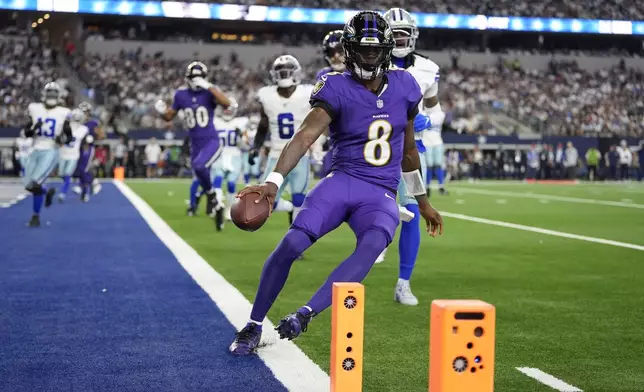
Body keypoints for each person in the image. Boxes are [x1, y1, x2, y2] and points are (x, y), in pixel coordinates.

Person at [229, 11, 443, 356]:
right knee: (292, 243)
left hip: (381, 193)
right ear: (349, 50)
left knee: (373, 243)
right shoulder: (336, 85)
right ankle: (254, 323)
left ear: (386, 51)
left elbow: (407, 151)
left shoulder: (405, 85)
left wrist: (422, 200)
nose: (368, 57)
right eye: (361, 50)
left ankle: (305, 314)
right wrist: (273, 181)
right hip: (342, 181)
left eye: (374, 51)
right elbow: (304, 136)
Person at [155, 61, 234, 229]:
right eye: (194, 77)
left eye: (200, 78)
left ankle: (211, 197)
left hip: (211, 141)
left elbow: (227, 104)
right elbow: (170, 117)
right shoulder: (181, 95)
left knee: (199, 167)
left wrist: (208, 86)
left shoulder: (209, 92)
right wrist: (162, 111)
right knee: (199, 174)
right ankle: (218, 206)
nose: (196, 80)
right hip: (195, 143)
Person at [249, 55, 317, 225]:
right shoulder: (267, 95)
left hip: (300, 153)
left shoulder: (307, 93)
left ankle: (295, 241)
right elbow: (263, 125)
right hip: (276, 153)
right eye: (281, 72)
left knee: (299, 198)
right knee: (267, 201)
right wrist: (255, 147)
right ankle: (288, 209)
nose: (284, 75)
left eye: (287, 72)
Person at [23, 82, 72, 227]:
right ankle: (47, 191)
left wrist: (61, 139)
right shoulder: (34, 108)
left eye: (54, 93)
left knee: (35, 183)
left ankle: (35, 216)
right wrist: (33, 128)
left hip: (51, 150)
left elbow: (69, 136)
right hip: (35, 149)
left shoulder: (63, 112)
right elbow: (27, 133)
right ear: (44, 94)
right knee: (28, 185)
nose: (51, 96)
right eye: (49, 93)